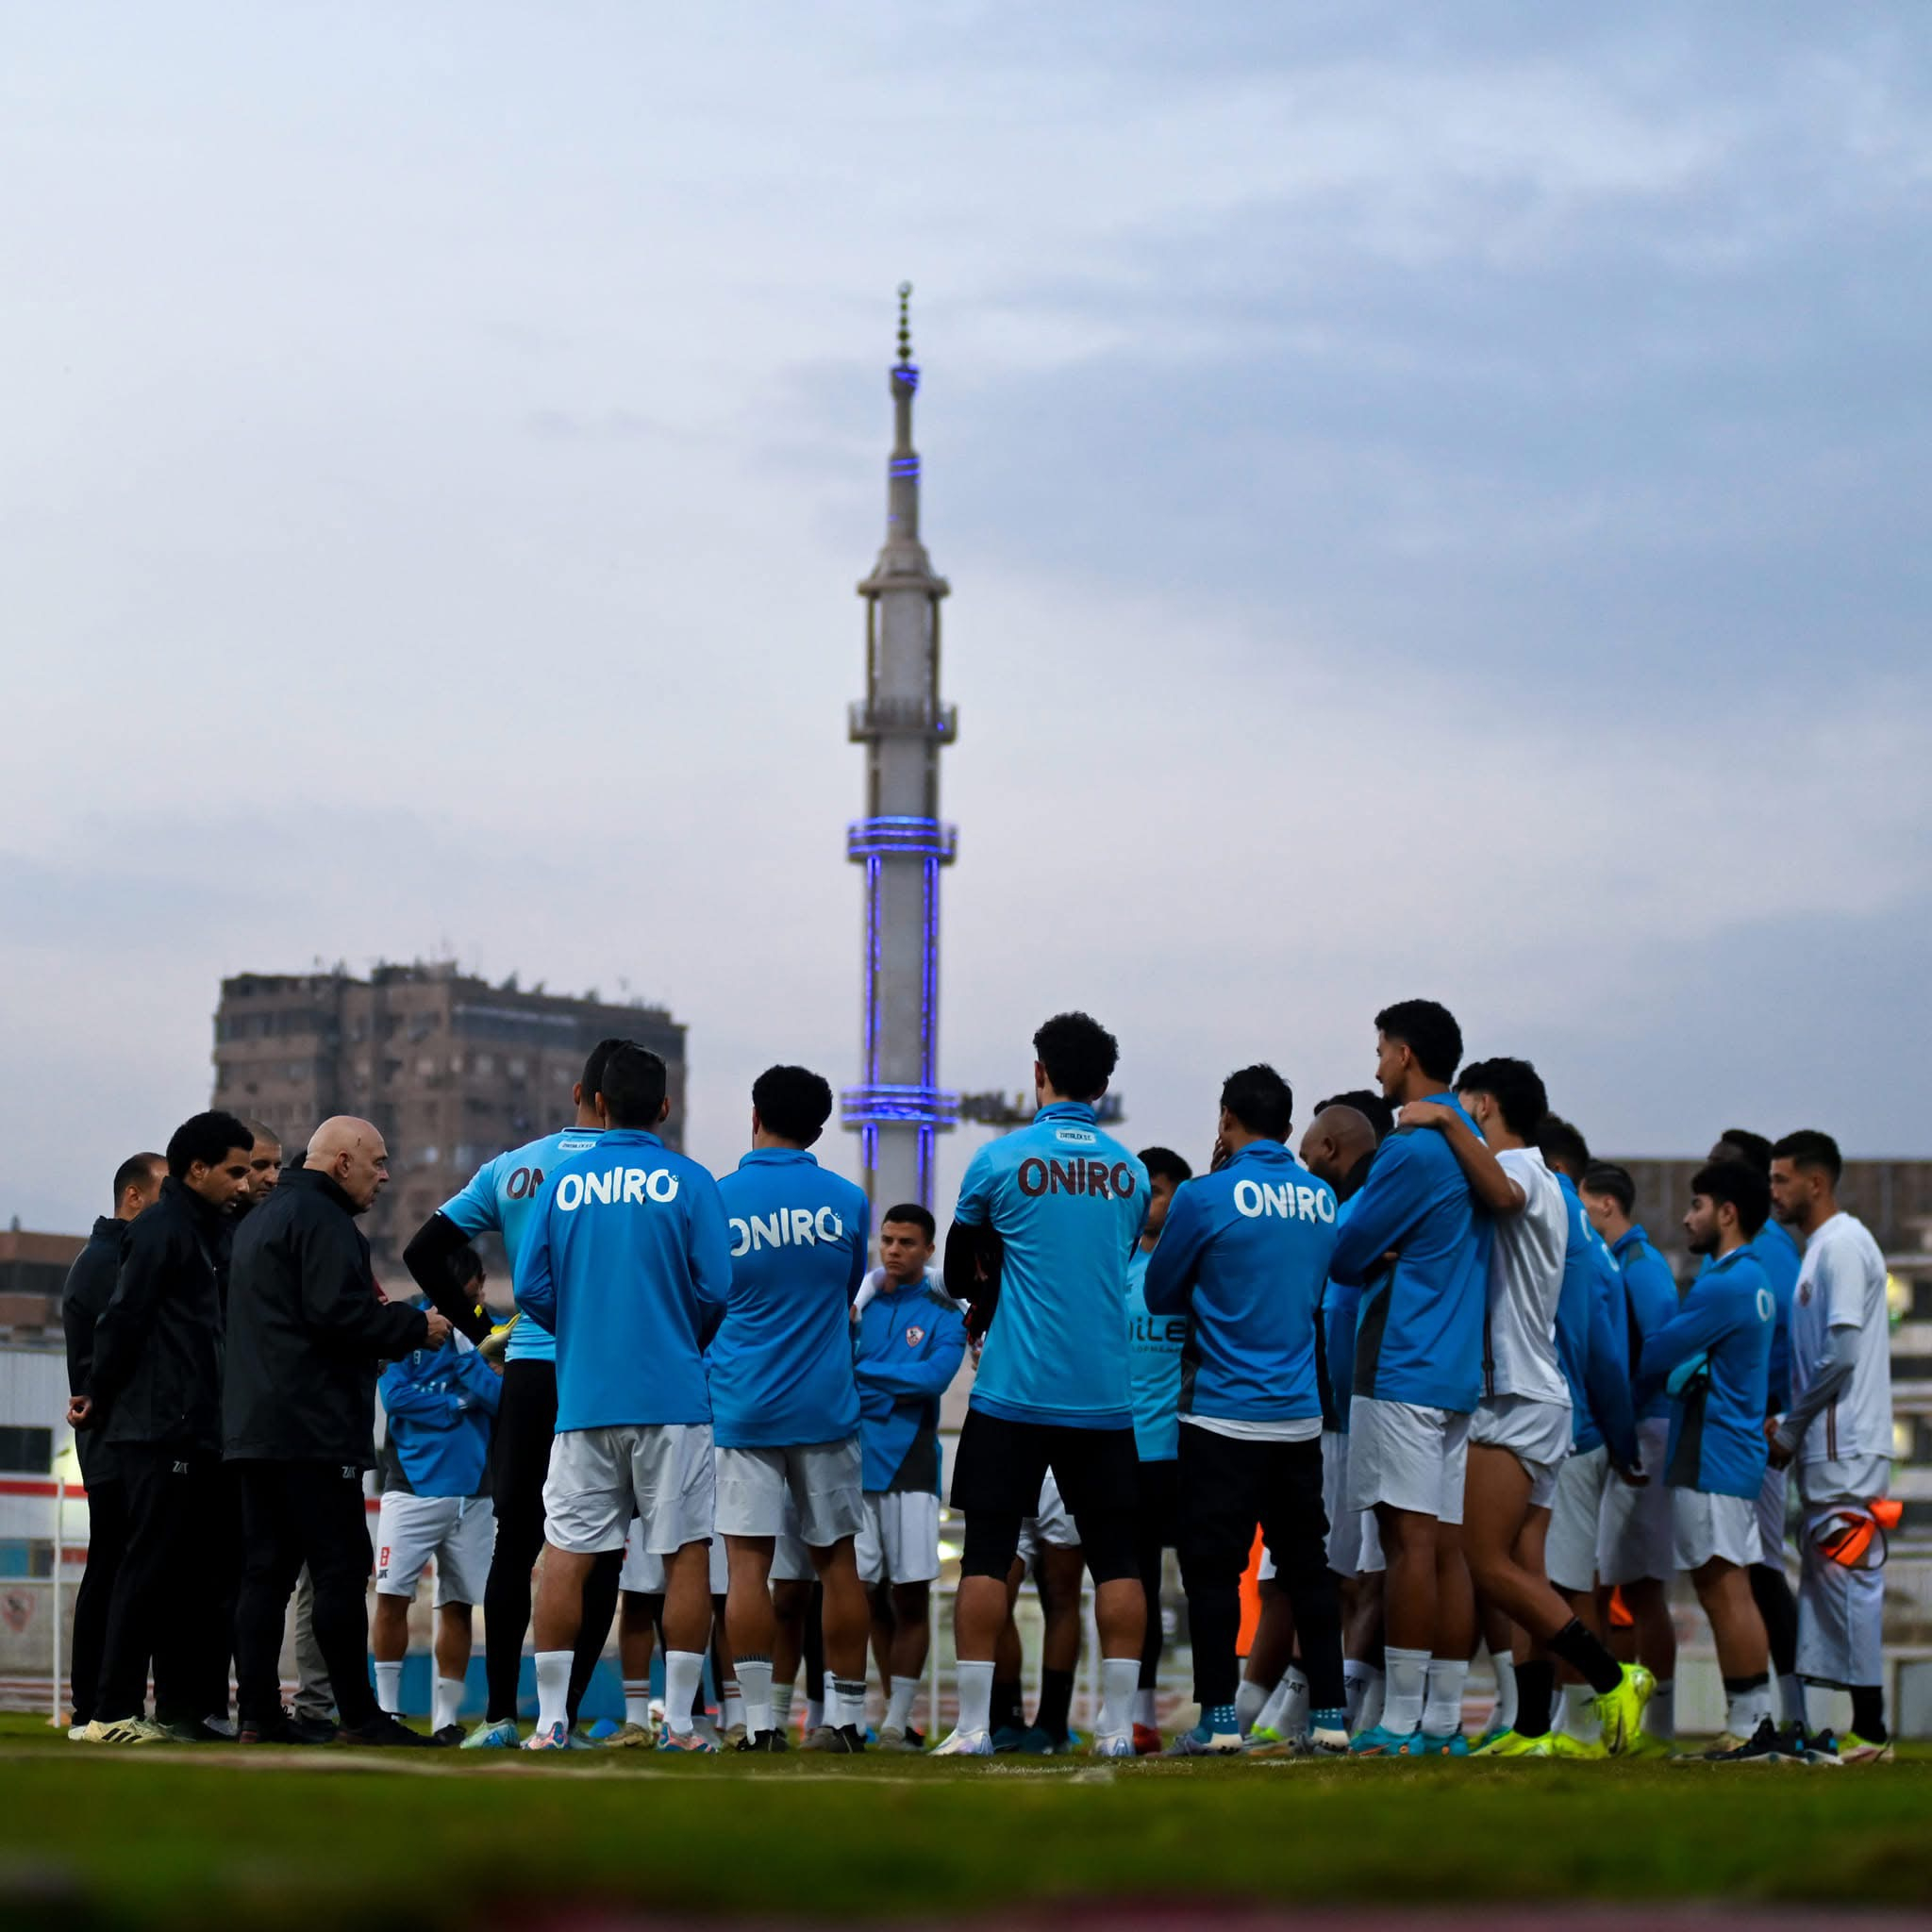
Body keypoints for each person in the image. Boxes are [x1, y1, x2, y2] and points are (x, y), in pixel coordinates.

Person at [1406, 1064, 1650, 1759]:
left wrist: (1443, 1121)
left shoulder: (1515, 1170)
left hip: (1513, 1396)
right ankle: (1535, 1728)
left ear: (1483, 1103)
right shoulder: (1551, 1178)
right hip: (1541, 1395)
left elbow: (1503, 1198)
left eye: (1464, 1103)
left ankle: (1612, 1676)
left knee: (1485, 1564)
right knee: (1525, 1569)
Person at [935, 1011, 1150, 1758]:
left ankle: (971, 1728)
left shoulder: (999, 1160)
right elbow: (1110, 1259)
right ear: (1104, 1083)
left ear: (1039, 1074)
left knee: (988, 1554)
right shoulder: (1130, 1172)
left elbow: (959, 1270)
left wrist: (988, 1295)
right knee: (1118, 1559)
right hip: (1104, 1396)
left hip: (1014, 1391)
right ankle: (1119, 1729)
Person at [403, 1038, 627, 1749]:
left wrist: (482, 1329)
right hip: (606, 1373)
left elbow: (421, 1252)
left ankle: (498, 1717)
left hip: (529, 1368)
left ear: (579, 1096)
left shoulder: (516, 1167)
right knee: (599, 1551)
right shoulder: (647, 1174)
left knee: (515, 1545)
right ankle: (560, 1716)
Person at [514, 1042, 733, 1753]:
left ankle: (549, 1721)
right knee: (685, 1554)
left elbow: (529, 1290)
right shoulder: (693, 1181)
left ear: (598, 1104)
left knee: (566, 1555)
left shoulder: (563, 1182)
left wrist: (581, 1327)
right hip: (673, 1394)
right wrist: (676, 1330)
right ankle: (678, 1722)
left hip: (585, 1397)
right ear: (664, 1108)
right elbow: (715, 1292)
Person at [1148, 1065, 1347, 1757]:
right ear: (1291, 1129)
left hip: (1221, 1413)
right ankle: (1329, 1719)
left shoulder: (1205, 1196)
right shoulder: (1322, 1199)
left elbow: (1159, 1292)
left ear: (1226, 1119)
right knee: (1308, 1568)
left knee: (1212, 1572)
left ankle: (1220, 1722)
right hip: (1297, 1412)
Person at [225, 1117, 444, 1747]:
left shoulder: (259, 1220)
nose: (384, 1177)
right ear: (342, 1162)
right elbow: (335, 1315)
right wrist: (411, 1327)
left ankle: (259, 1716)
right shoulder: (324, 1224)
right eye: (377, 1163)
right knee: (341, 1570)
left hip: (255, 1427)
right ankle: (358, 1715)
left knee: (264, 1575)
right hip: (314, 1429)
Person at [1326, 1000, 1488, 1755]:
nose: (1377, 1067)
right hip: (1455, 1366)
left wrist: (1372, 1247)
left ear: (1408, 1054)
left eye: (1383, 1052)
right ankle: (1444, 1719)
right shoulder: (1467, 1136)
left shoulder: (1413, 1146)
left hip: (1403, 1361)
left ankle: (1399, 1722)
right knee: (1443, 1546)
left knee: (1407, 1545)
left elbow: (1346, 1250)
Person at [71, 1112, 255, 1744]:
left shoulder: (210, 1233)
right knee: (144, 1570)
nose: (245, 1182)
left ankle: (181, 1711)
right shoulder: (160, 1230)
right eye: (235, 1170)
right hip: (156, 1428)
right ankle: (111, 1712)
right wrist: (97, 1394)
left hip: (195, 1427)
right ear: (197, 1170)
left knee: (185, 1580)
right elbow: (122, 1320)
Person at [708, 1065, 872, 1754]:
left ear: (755, 1115)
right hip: (826, 1406)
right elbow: (844, 1296)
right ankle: (847, 1720)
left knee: (747, 1566)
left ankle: (758, 1726)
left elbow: (703, 1299)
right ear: (820, 1126)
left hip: (742, 1406)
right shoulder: (848, 1201)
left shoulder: (717, 1200)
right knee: (838, 1563)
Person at [1633, 1160, 1781, 1762]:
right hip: (1731, 1450)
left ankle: (1750, 1725)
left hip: (1713, 1451)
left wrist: (1668, 1365)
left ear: (1726, 1213)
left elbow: (1656, 1353)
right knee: (1729, 1584)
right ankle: (1753, 1720)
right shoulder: (1755, 1277)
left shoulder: (1724, 1283)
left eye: (1697, 1206)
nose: (1687, 1217)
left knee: (1723, 1588)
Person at [1769, 1130, 1895, 1765]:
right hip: (1829, 1446)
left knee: (1849, 1582)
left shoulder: (1843, 1245)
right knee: (1828, 1582)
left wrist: (1792, 1426)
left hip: (1847, 1445)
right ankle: (1852, 1725)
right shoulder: (1820, 1249)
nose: (1774, 1192)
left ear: (1816, 1184)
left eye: (1781, 1180)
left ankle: (1871, 1730)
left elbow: (1843, 1353)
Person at [852, 1203, 968, 1751]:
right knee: (864, 1595)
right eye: (888, 1240)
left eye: (906, 1242)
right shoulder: (858, 1306)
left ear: (929, 1250)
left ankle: (899, 1720)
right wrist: (886, 1381)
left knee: (911, 1594)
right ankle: (883, 1713)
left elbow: (932, 1380)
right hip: (855, 1463)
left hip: (912, 1466)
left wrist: (865, 1373)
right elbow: (837, 1370)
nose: (894, 1250)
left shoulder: (946, 1312)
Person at [59, 1152, 164, 1737]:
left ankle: (105, 1706)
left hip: (120, 1440)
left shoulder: (113, 1257)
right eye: (164, 1192)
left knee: (119, 1568)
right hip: (114, 1446)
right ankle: (94, 1708)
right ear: (133, 1197)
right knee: (112, 1569)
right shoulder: (105, 1263)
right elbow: (118, 1352)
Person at [1582, 1160, 1682, 1749]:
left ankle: (1654, 1723)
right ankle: (1627, 1714)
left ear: (1606, 1207)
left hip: (1645, 1431)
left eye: (1585, 1204)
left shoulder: (1642, 1271)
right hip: (1635, 1427)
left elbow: (1659, 1351)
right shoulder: (1624, 1264)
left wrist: (1619, 1398)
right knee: (1617, 1583)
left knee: (1637, 1586)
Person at [372, 1305, 503, 1742]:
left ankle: (446, 1719)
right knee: (392, 1596)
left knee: (458, 1603)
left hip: (473, 1492)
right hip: (409, 1489)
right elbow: (395, 1399)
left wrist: (468, 1353)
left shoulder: (491, 1330)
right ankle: (387, 1711)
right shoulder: (409, 1324)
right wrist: (456, 1402)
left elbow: (500, 1398)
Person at [1709, 1128, 1805, 1725]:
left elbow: (1781, 1345)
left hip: (1757, 1432)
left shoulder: (1766, 1252)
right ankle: (1776, 1714)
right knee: (1752, 1570)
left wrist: (1771, 1419)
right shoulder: (1759, 1248)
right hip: (1751, 1429)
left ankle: (1786, 1716)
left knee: (1761, 1571)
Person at [1122, 1147, 1191, 1753]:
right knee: (1133, 1586)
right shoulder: (1112, 1269)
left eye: (1162, 1191)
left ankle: (1220, 1710)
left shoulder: (1198, 1272)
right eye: (1143, 1190)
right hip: (1127, 1453)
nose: (1150, 1202)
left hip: (1190, 1450)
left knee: (1206, 1585)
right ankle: (1136, 1717)